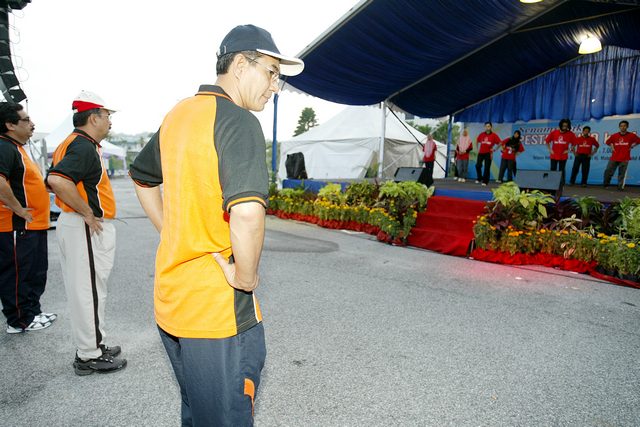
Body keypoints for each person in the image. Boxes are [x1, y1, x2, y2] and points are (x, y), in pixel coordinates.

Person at [129, 24, 304, 426]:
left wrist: (172, 233)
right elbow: (247, 212)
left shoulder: (179, 114)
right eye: (271, 73)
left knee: (197, 410)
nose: (275, 87)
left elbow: (142, 178)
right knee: (225, 416)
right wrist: (246, 277)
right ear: (241, 65)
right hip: (216, 310)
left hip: (173, 301)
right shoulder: (237, 121)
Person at [46, 91, 126, 375]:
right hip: (82, 225)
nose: (110, 121)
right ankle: (89, 354)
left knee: (90, 290)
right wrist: (87, 212)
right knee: (88, 292)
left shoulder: (75, 142)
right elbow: (56, 180)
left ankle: (95, 344)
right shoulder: (82, 145)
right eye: (107, 115)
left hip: (76, 223)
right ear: (93, 118)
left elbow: (51, 180)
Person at [0, 103, 57, 334]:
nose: (32, 124)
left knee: (34, 272)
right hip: (16, 225)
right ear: (10, 125)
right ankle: (19, 320)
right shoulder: (4, 147)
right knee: (18, 274)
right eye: (26, 120)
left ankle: (32, 312)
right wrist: (19, 209)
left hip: (32, 225)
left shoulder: (17, 148)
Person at [603, 120, 640, 191]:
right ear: (619, 127)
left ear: (627, 127)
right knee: (608, 171)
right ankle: (606, 184)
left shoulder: (631, 135)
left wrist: (632, 146)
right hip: (614, 157)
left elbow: (638, 141)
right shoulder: (614, 135)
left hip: (624, 158)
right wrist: (612, 146)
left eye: (624, 126)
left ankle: (620, 187)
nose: (623, 127)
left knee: (622, 173)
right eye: (621, 126)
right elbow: (608, 142)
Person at [475, 122, 501, 186]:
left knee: (487, 167)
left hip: (488, 153)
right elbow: (477, 141)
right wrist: (477, 149)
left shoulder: (494, 135)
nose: (487, 127)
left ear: (491, 127)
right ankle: (479, 178)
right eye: (486, 126)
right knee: (478, 165)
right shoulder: (481, 134)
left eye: (488, 126)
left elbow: (500, 143)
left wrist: (494, 149)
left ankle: (485, 181)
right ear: (485, 127)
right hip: (481, 152)